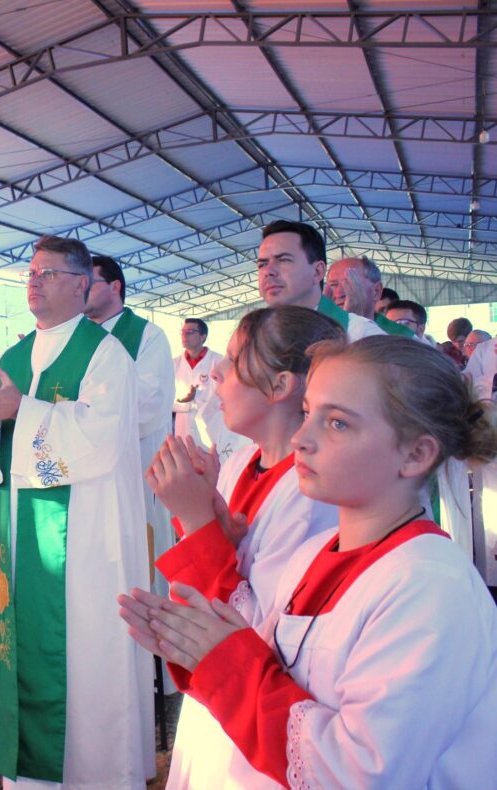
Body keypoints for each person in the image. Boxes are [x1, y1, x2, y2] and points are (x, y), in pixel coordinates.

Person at [120, 335, 497, 788]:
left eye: (337, 423)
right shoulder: (313, 553)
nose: (302, 437)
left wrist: (222, 663)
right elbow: (269, 656)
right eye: (307, 413)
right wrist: (197, 645)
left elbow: (359, 772)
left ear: (416, 454)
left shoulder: (431, 588)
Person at [0, 235, 152, 787]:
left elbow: (103, 439)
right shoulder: (14, 357)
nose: (34, 280)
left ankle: (97, 776)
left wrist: (22, 409)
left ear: (82, 283)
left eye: (48, 272)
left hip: (83, 538)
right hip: (19, 534)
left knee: (84, 653)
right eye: (31, 272)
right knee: (26, 644)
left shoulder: (105, 352)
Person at [145, 307, 346, 788]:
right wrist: (203, 513)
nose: (215, 370)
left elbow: (265, 636)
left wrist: (197, 522)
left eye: (233, 361)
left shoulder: (311, 493)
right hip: (221, 701)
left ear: (280, 387)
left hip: (258, 716)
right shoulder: (240, 465)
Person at [85, 253, 175, 593]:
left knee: (138, 556)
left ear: (115, 287)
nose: (81, 291)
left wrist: (87, 414)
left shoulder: (148, 336)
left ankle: (149, 636)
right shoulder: (75, 338)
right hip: (85, 464)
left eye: (89, 283)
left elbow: (149, 402)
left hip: (134, 461)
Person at [256, 220, 383, 341]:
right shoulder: (252, 338)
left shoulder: (360, 335)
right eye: (262, 264)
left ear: (318, 272)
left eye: (284, 260)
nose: (268, 271)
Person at [323, 256, 413, 337]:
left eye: (350, 283)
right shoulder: (318, 328)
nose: (339, 293)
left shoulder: (402, 337)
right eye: (333, 285)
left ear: (376, 291)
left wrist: (354, 322)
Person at [172, 318, 221, 450]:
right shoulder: (174, 364)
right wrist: (184, 400)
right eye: (183, 332)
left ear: (203, 337)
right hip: (183, 424)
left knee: (212, 461)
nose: (184, 335)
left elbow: (226, 394)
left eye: (190, 332)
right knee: (185, 461)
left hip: (209, 422)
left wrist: (197, 398)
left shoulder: (218, 362)